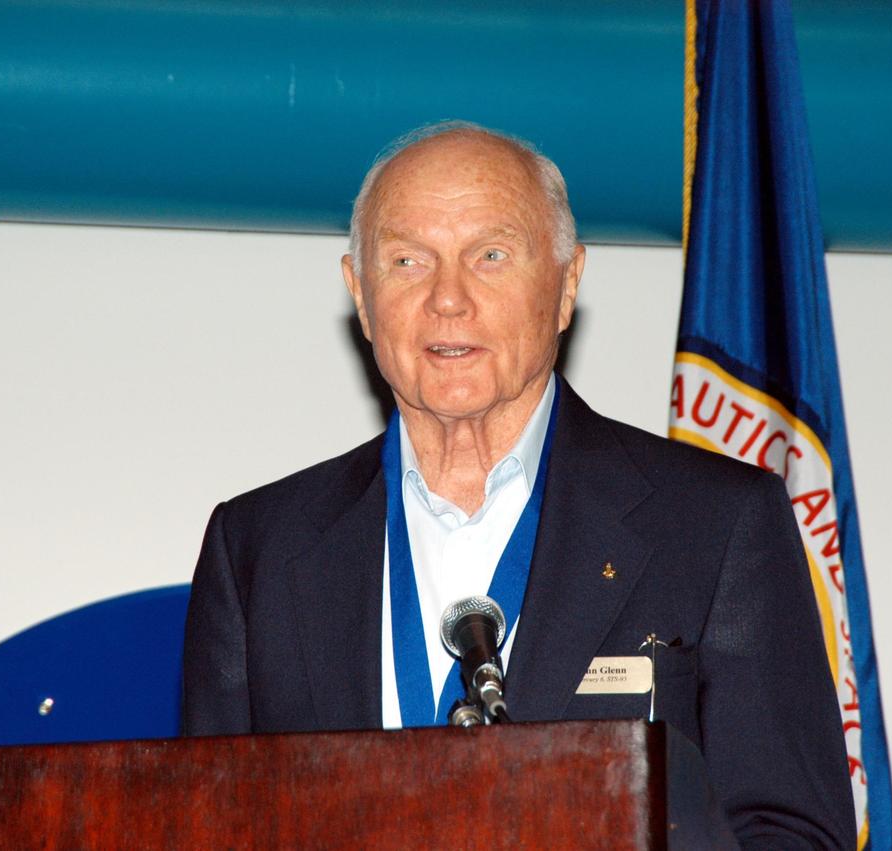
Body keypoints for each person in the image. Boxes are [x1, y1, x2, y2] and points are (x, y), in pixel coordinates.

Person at [181, 121, 856, 848]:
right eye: (407, 260)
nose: (448, 299)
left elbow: (788, 832)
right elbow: (203, 826)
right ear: (360, 293)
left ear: (566, 285)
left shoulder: (715, 525)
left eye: (491, 255)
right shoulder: (257, 548)